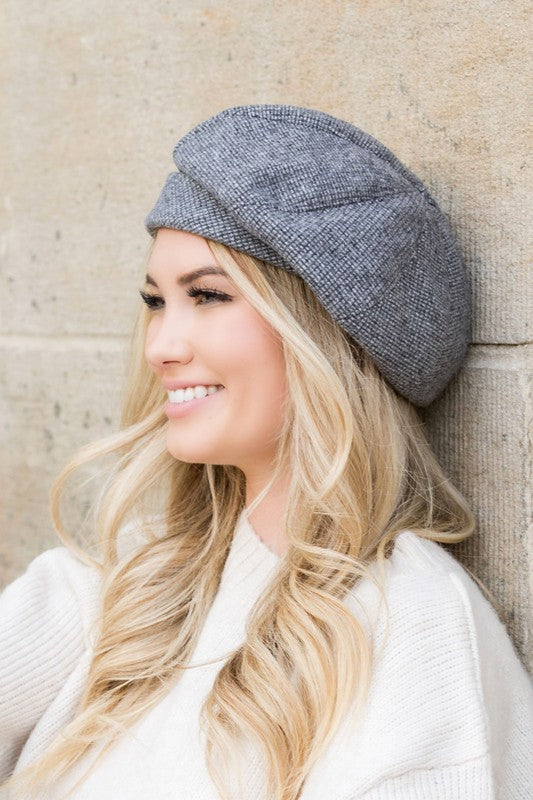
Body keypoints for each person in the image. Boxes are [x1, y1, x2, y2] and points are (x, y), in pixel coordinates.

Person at [1, 104, 531, 800]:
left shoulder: (414, 627)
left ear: (324, 333)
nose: (161, 346)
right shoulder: (118, 585)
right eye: (157, 301)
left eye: (209, 295)